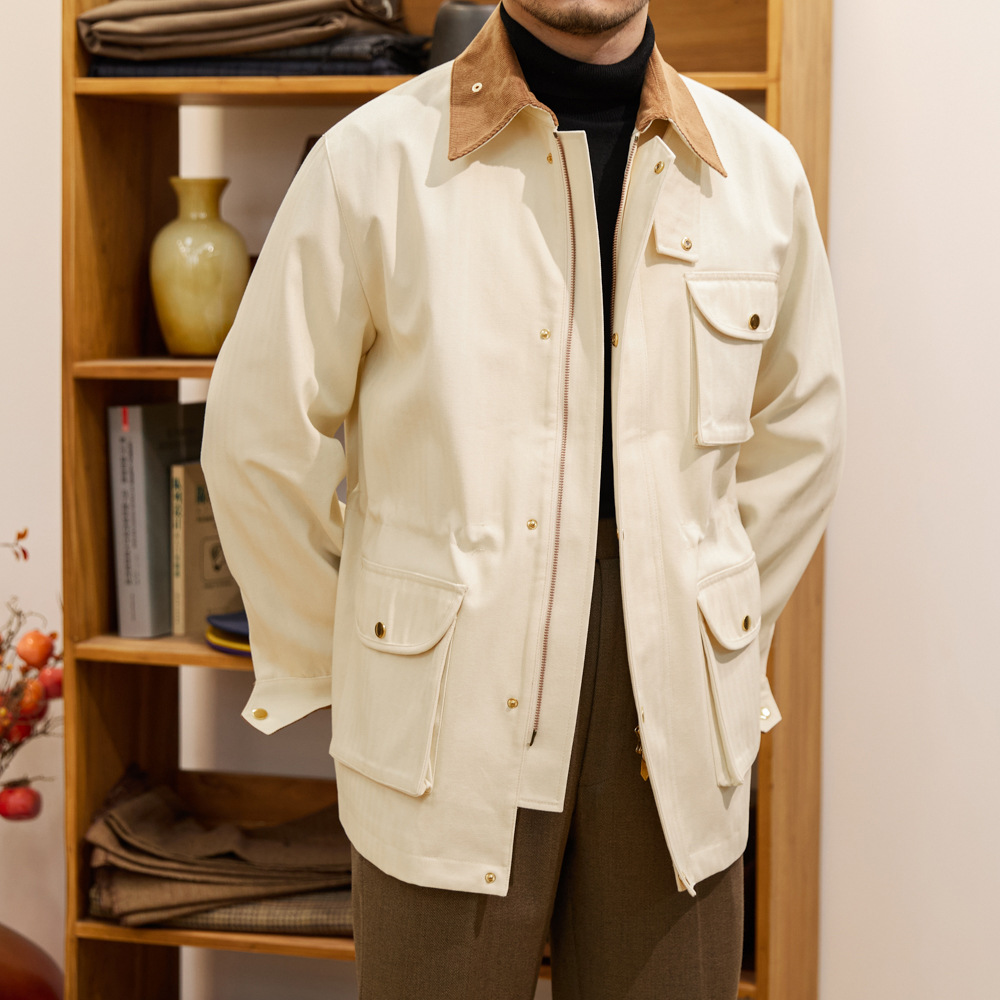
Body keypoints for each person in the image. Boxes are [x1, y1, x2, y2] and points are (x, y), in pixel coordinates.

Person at [202, 0, 846, 995]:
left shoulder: (758, 175)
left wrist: (716, 625)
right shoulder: (371, 163)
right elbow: (258, 438)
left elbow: (800, 434)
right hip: (447, 714)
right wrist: (375, 659)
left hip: (674, 713)